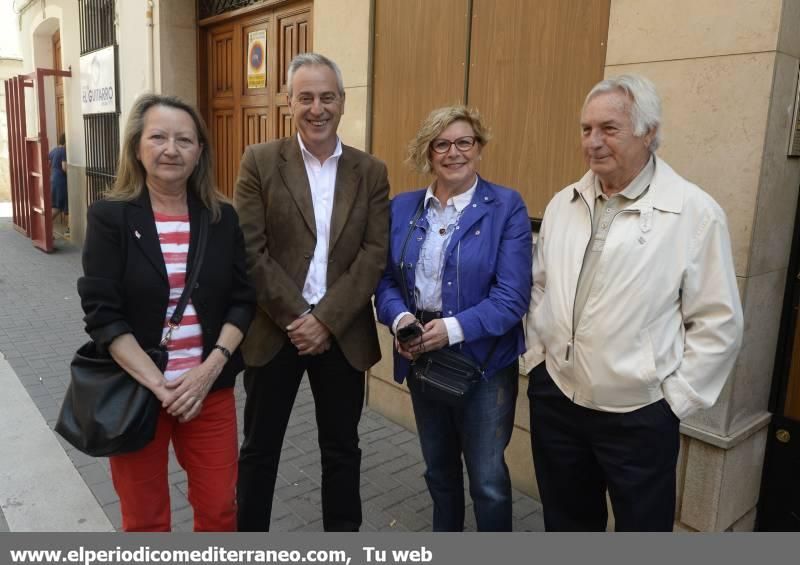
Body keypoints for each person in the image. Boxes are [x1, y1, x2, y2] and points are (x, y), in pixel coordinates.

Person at [523, 74, 744, 531]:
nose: (593, 142)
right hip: (558, 400)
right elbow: (539, 285)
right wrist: (538, 357)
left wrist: (672, 403)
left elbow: (718, 323)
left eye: (609, 128)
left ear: (648, 132)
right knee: (566, 527)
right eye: (586, 129)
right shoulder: (566, 202)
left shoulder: (694, 213)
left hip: (638, 417)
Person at [78, 94, 255, 531]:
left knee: (219, 509)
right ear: (138, 146)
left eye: (185, 140)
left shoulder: (221, 219)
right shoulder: (110, 217)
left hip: (208, 391)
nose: (171, 149)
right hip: (136, 392)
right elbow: (103, 314)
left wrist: (209, 370)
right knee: (145, 518)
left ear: (200, 152)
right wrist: (160, 386)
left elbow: (243, 298)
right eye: (158, 137)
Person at [234, 52, 390, 532]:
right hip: (273, 329)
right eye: (306, 97)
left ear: (342, 102)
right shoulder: (260, 161)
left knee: (342, 451)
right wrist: (300, 316)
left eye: (327, 97)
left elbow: (373, 254)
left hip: (341, 335)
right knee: (260, 451)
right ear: (288, 102)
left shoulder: (370, 171)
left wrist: (326, 320)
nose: (316, 108)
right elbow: (249, 251)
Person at [375, 106, 532, 531]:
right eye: (442, 144)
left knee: (487, 481)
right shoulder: (403, 208)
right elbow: (385, 280)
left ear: (479, 148)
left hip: (484, 364)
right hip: (422, 355)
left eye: (464, 142)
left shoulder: (505, 206)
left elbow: (512, 296)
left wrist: (450, 330)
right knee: (439, 472)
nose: (453, 152)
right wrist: (401, 317)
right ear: (428, 153)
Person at [48, 133, 68, 232]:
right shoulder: (63, 151)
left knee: (54, 204)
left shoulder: (53, 151)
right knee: (59, 206)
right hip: (60, 181)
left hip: (53, 179)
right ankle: (46, 226)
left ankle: (47, 228)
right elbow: (64, 167)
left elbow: (47, 165)